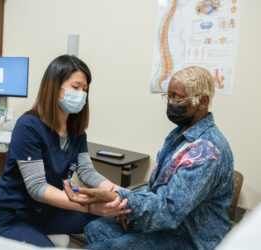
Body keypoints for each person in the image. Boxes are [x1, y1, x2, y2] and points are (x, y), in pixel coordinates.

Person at [65, 66, 234, 249]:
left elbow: (169, 209)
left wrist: (121, 198)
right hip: (168, 225)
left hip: (191, 237)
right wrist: (126, 208)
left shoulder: (206, 150)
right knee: (95, 229)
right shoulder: (178, 135)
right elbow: (157, 189)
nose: (171, 103)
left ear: (202, 102)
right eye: (168, 96)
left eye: (177, 97)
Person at [0, 55, 130, 247]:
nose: (81, 94)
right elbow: (37, 188)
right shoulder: (28, 126)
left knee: (115, 220)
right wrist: (90, 207)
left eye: (85, 89)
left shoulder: (77, 132)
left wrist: (122, 194)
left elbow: (86, 172)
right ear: (54, 87)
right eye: (75, 87)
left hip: (49, 212)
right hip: (12, 216)